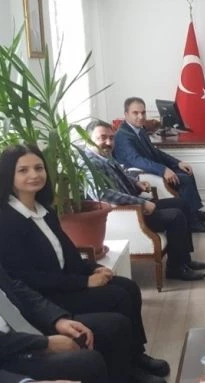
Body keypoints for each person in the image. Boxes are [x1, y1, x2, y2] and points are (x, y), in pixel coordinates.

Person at [0, 144, 170, 383]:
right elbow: (28, 279)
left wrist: (92, 268)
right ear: (9, 175)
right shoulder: (7, 221)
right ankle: (128, 367)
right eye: (23, 170)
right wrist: (85, 282)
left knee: (128, 287)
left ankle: (135, 355)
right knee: (117, 298)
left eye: (39, 168)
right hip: (45, 295)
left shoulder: (44, 210)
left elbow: (67, 252)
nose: (34, 175)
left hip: (62, 284)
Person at [83, 120, 205, 281]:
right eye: (102, 138)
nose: (108, 142)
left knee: (181, 203)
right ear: (88, 139)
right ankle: (175, 268)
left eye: (111, 138)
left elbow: (122, 173)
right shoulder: (89, 163)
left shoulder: (104, 156)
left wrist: (136, 183)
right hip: (128, 214)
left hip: (134, 204)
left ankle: (184, 260)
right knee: (175, 216)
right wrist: (142, 203)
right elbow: (101, 194)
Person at [0, 262, 132, 383]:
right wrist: (44, 343)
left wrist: (57, 320)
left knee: (113, 326)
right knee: (87, 362)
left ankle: (133, 371)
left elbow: (16, 288)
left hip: (25, 329)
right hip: (9, 354)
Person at [113, 97, 205, 231]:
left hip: (150, 169)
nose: (141, 117)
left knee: (186, 171)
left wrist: (177, 163)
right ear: (126, 114)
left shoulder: (139, 130)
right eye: (135, 113)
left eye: (143, 112)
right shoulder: (123, 135)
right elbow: (137, 160)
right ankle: (193, 222)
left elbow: (155, 152)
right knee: (183, 179)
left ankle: (194, 213)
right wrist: (163, 170)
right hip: (140, 175)